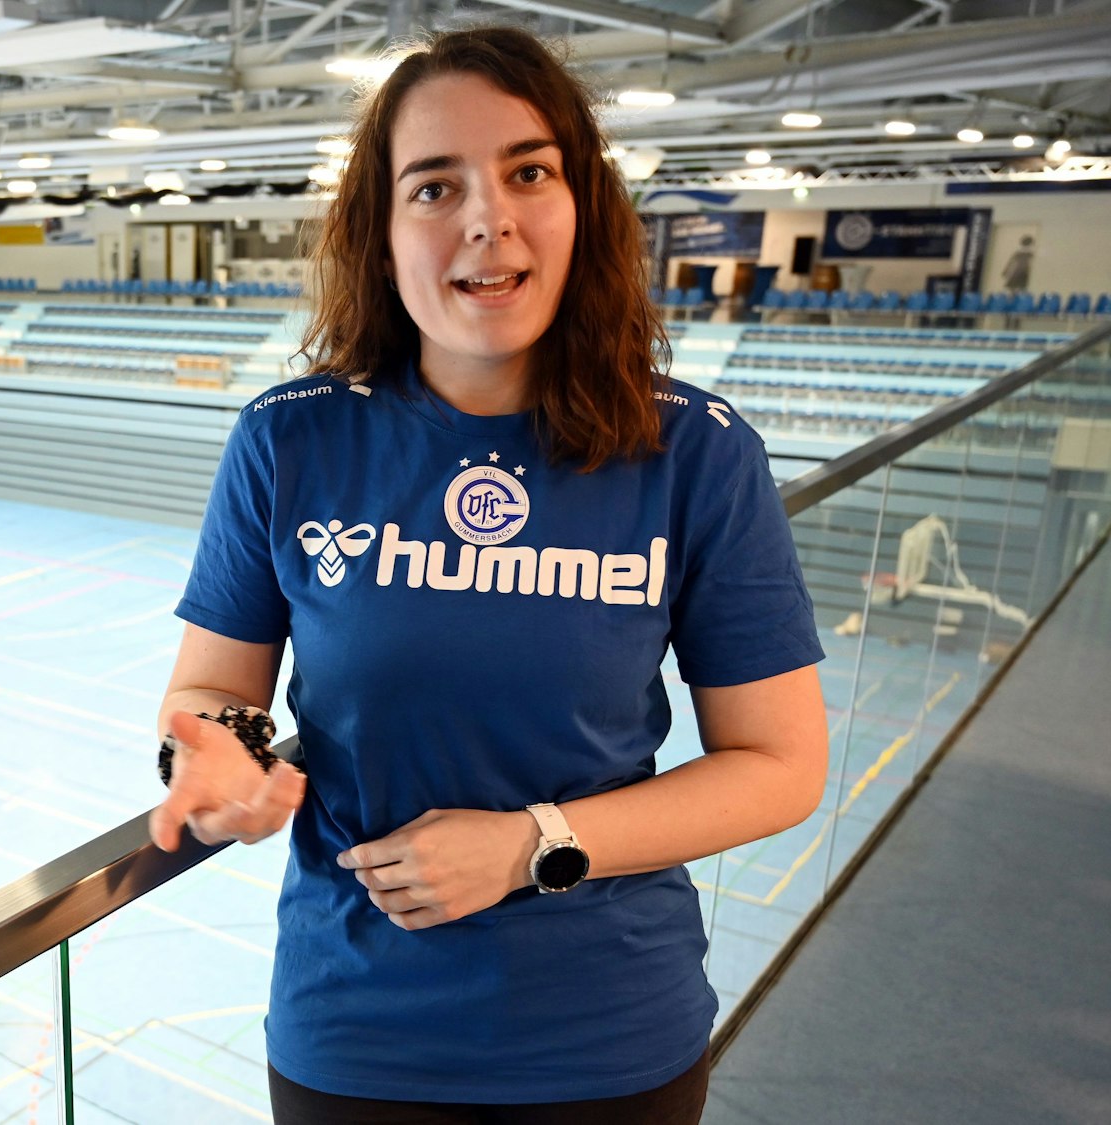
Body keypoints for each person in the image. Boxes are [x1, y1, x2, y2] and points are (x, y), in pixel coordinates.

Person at [148, 26, 828, 1123]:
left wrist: (532, 847)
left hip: (608, 1043)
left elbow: (780, 764)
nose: (485, 218)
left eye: (526, 171)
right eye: (432, 186)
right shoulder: (288, 441)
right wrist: (217, 757)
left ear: (580, 209)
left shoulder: (692, 453)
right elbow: (207, 693)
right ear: (378, 234)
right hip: (355, 1037)